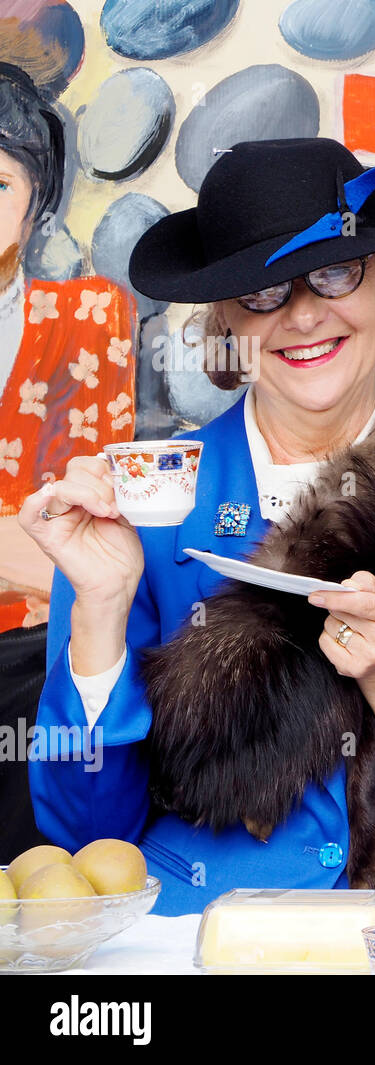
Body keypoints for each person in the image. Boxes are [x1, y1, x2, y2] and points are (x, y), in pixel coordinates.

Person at [19, 138, 375, 917]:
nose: (305, 313)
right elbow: (86, 835)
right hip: (200, 943)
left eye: (334, 271)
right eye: (264, 289)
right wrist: (101, 613)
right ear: (226, 322)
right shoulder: (142, 503)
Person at [0, 62, 135, 855]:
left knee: (46, 894)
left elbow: (83, 541)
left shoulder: (90, 317)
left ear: (38, 197)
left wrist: (44, 555)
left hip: (37, 666)